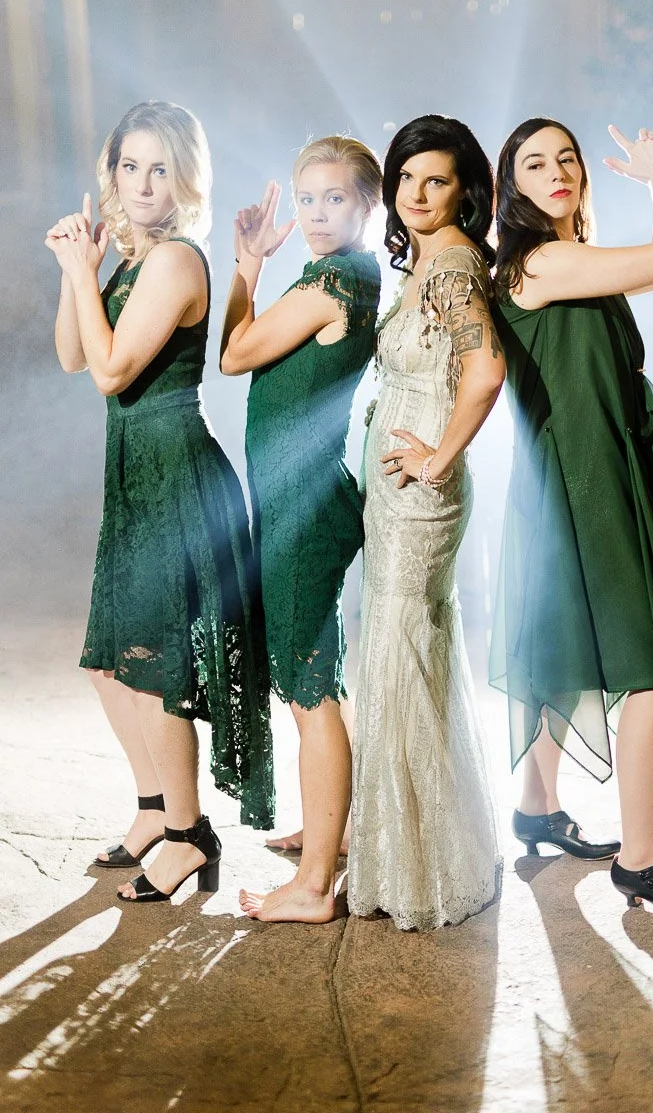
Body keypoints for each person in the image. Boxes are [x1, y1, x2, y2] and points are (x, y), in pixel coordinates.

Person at [489, 117, 653, 917]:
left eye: (567, 158)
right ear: (510, 186)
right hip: (582, 482)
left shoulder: (575, 262)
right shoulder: (544, 262)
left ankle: (536, 805)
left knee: (563, 651)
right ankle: (643, 857)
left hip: (580, 478)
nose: (556, 170)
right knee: (646, 664)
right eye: (535, 162)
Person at [48, 100, 273, 904]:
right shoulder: (135, 261)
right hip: (136, 476)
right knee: (111, 667)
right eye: (128, 166)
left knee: (153, 671)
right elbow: (76, 354)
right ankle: (153, 810)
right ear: (112, 173)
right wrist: (83, 268)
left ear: (184, 178)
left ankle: (189, 836)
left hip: (177, 472)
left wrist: (84, 275)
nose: (142, 183)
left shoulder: (178, 260)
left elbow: (113, 376)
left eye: (158, 168)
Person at [348, 114, 504, 932]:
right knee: (404, 646)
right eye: (406, 178)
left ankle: (416, 867)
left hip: (420, 492)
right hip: (397, 487)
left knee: (403, 645)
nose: (415, 194)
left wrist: (440, 456)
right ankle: (408, 848)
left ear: (462, 190)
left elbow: (485, 369)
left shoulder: (449, 270)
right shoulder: (430, 265)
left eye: (435, 180)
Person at [220, 136, 382, 924]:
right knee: (321, 678)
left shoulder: (336, 277)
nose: (318, 215)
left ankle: (315, 886)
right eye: (307, 198)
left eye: (336, 200)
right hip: (303, 499)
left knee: (309, 691)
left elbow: (236, 353)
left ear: (366, 205)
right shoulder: (344, 274)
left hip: (304, 509)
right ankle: (335, 830)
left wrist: (246, 262)